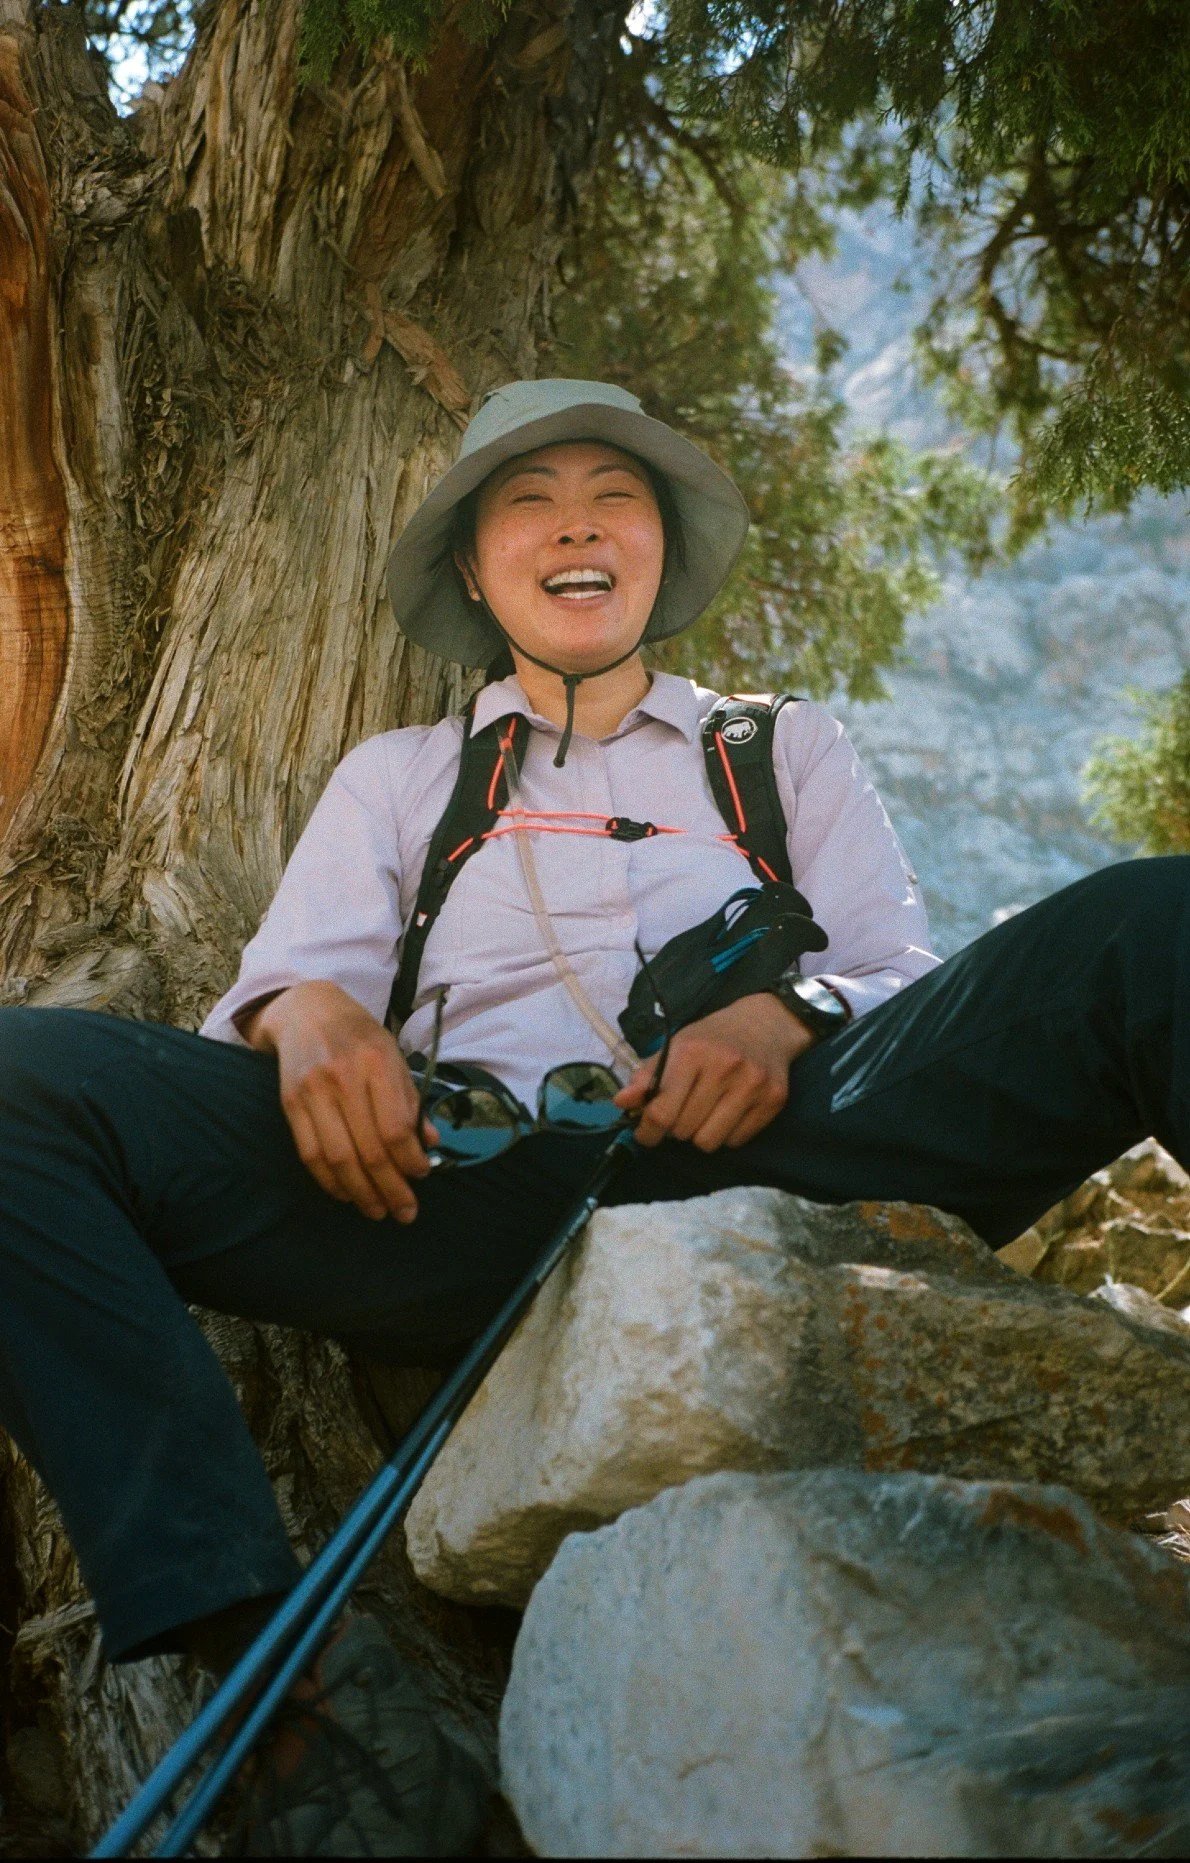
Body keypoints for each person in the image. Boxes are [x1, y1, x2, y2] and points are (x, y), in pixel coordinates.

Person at [1, 378, 1187, 1856]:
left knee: (1157, 920)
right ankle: (278, 1675)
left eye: (611, 491)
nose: (573, 519)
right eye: (525, 495)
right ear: (472, 565)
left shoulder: (779, 748)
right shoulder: (401, 777)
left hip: (798, 1137)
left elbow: (894, 963)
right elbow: (292, 987)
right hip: (468, 1193)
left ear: (658, 547)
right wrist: (306, 1016)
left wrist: (782, 1011)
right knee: (15, 1084)